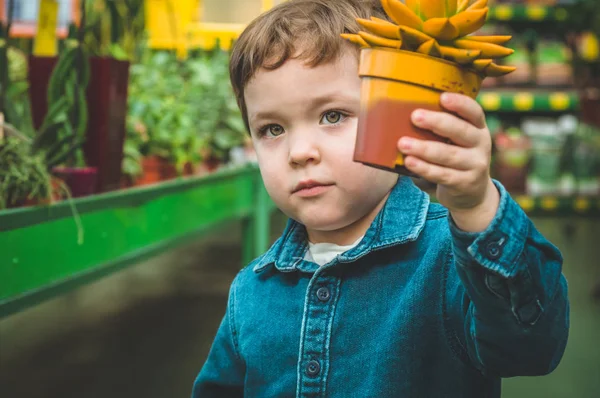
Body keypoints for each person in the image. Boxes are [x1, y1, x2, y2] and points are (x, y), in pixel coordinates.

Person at [192, 1, 569, 396]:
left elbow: (533, 349)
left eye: (333, 116)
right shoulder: (251, 291)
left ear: (395, 114)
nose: (299, 151)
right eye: (271, 128)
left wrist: (477, 207)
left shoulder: (447, 263)